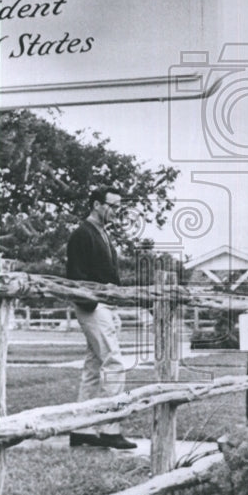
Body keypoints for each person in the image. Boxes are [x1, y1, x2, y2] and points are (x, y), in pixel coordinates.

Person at [66, 187, 136, 450]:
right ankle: (109, 428)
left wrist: (112, 303)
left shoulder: (103, 234)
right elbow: (76, 273)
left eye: (119, 207)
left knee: (93, 368)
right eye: (113, 206)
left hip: (105, 305)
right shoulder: (82, 234)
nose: (116, 212)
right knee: (114, 363)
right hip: (92, 306)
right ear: (97, 205)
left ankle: (81, 428)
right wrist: (91, 303)